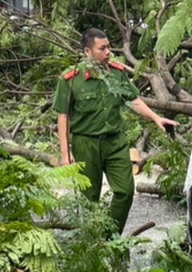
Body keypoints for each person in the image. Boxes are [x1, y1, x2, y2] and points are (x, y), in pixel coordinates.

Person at [53, 28, 179, 235]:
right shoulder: (70, 79)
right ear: (87, 51)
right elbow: (63, 116)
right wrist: (66, 154)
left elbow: (133, 100)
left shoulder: (116, 72)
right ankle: (93, 244)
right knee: (89, 198)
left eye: (109, 46)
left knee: (125, 191)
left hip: (115, 142)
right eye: (102, 48)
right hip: (86, 144)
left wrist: (156, 117)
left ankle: (111, 238)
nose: (108, 52)